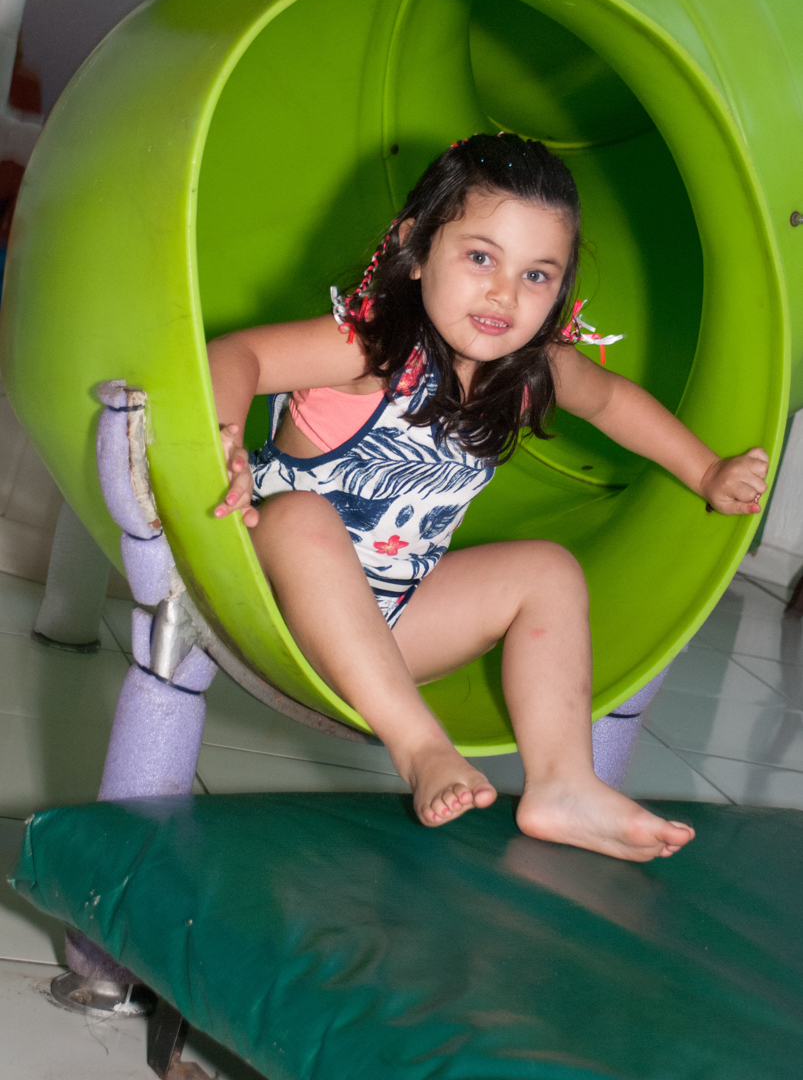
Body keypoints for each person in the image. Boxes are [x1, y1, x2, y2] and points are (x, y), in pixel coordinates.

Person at [207, 133, 768, 861]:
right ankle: (418, 749)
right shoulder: (370, 348)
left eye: (537, 275)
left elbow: (611, 401)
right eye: (480, 257)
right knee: (304, 519)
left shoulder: (528, 370)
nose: (504, 293)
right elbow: (235, 355)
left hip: (389, 632)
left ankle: (562, 783)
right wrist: (220, 435)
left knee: (547, 570)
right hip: (269, 595)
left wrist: (705, 472)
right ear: (415, 247)